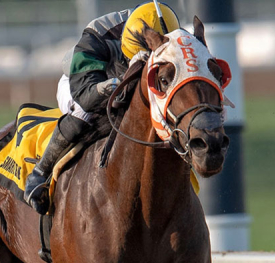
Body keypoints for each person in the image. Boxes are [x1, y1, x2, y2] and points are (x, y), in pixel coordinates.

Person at [23, 2, 180, 214]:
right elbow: (84, 94)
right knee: (83, 114)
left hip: (136, 82)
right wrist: (104, 88)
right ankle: (40, 173)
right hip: (86, 82)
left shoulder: (173, 31)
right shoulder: (98, 33)